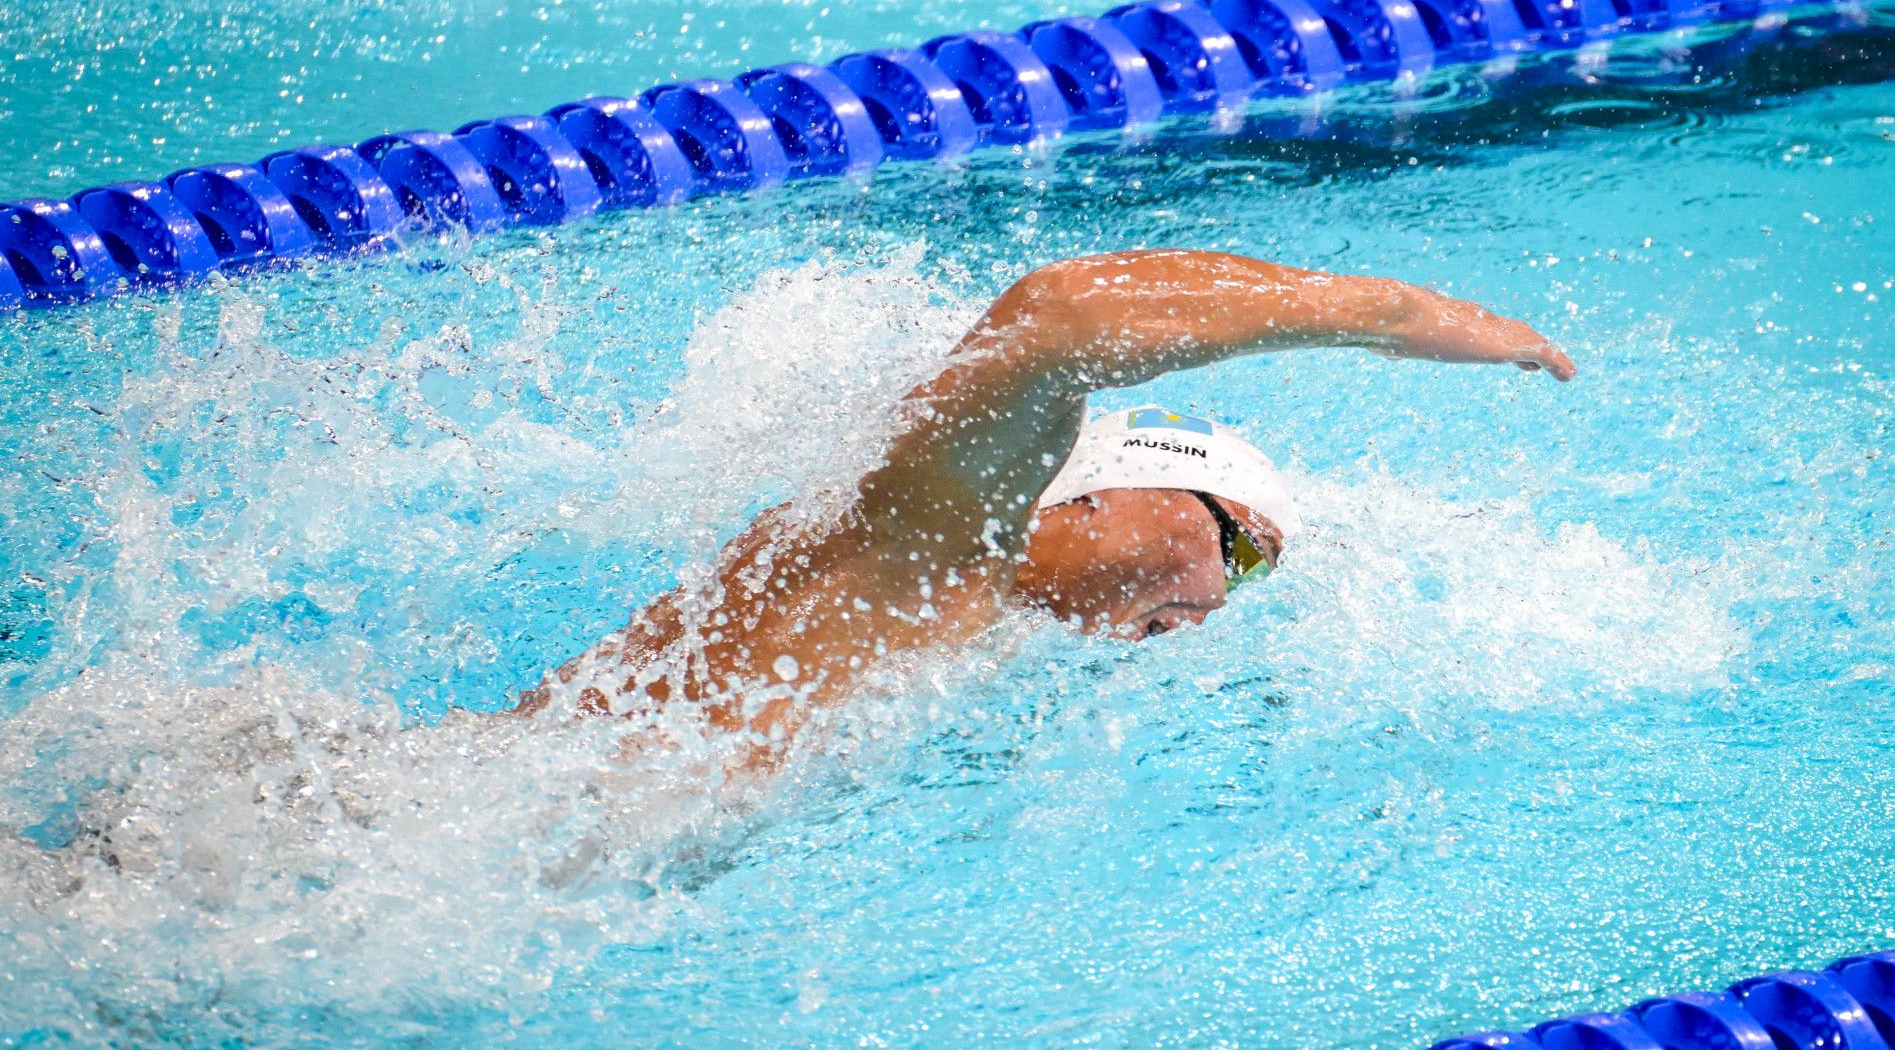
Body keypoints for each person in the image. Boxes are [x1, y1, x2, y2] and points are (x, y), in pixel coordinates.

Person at [509, 248, 1575, 764]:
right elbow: (1057, 313)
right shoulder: (937, 535)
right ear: (1115, 486)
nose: (1225, 597)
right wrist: (1382, 312)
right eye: (1241, 550)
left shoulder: (961, 622)